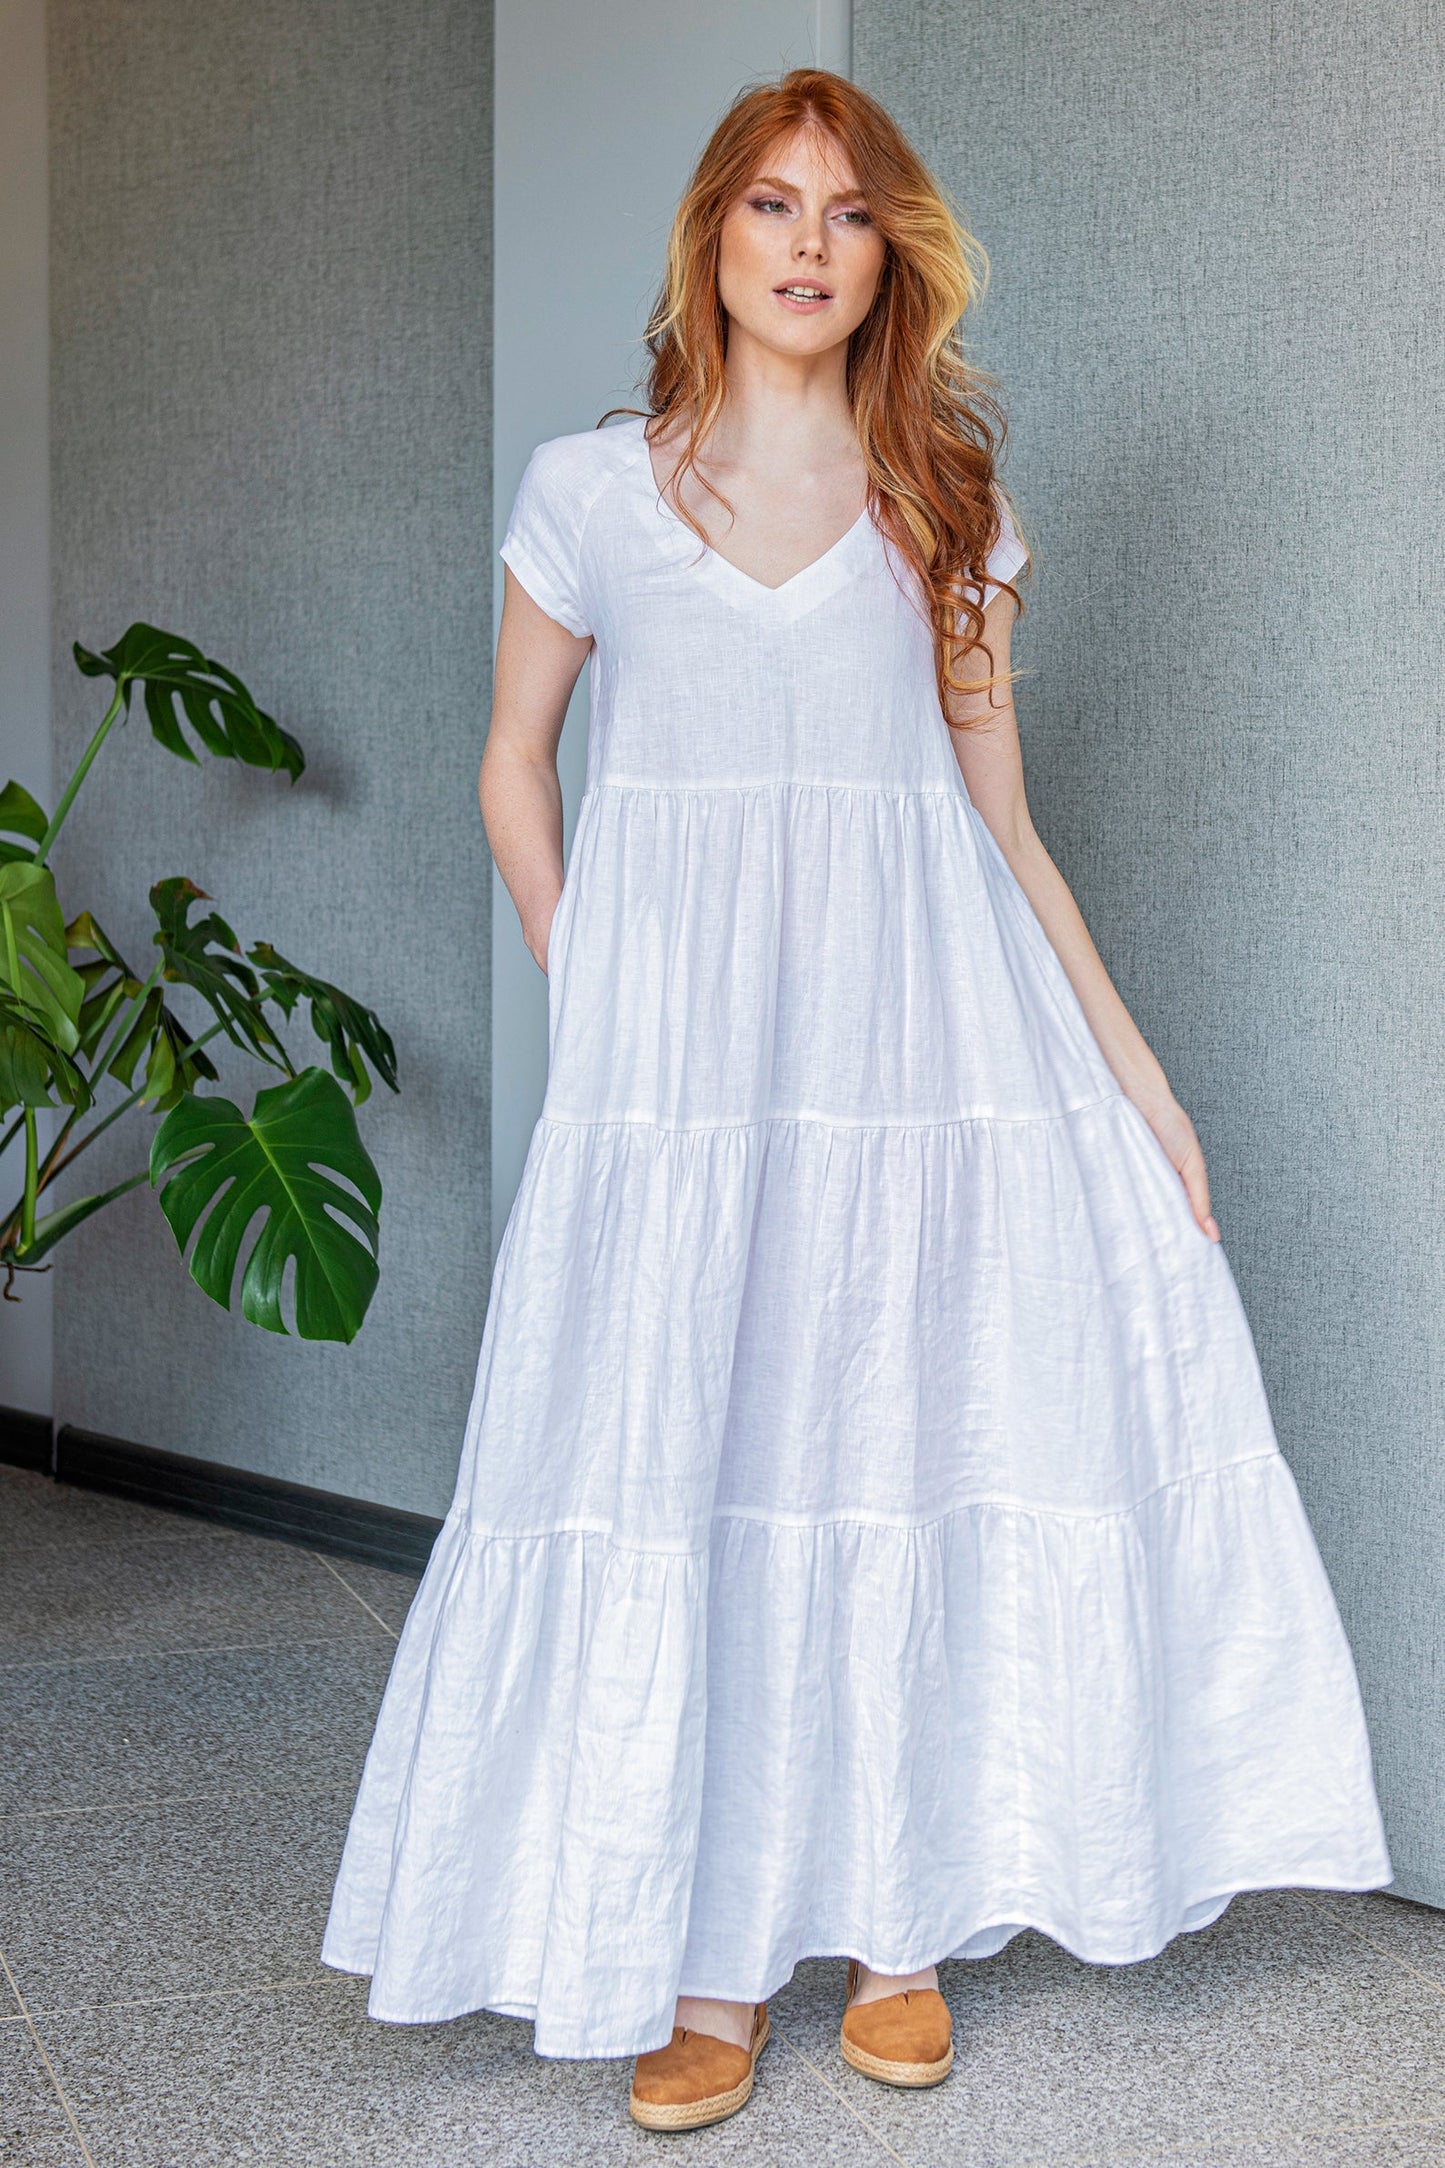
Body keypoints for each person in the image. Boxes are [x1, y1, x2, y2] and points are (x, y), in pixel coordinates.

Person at [321, 67, 1392, 2135]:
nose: (809, 243)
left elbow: (1003, 828)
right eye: (770, 207)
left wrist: (1140, 1078)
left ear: (888, 255)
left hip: (925, 1078)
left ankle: (897, 1929)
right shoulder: (595, 491)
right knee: (699, 1460)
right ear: (711, 241)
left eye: (849, 214)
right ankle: (707, 1960)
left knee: (899, 1441)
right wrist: (607, 989)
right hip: (690, 1096)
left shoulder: (950, 511)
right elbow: (511, 766)